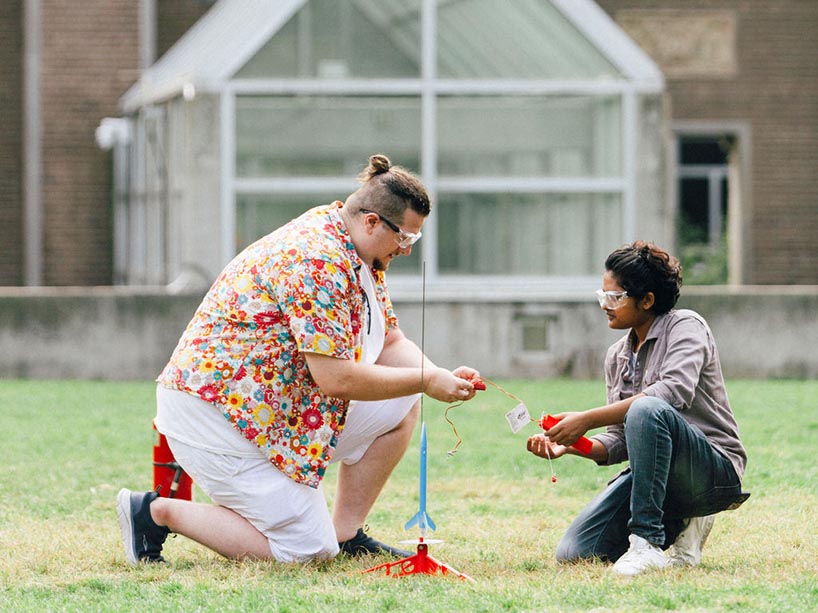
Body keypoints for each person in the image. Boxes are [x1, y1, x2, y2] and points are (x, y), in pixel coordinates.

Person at [117, 153, 481, 565]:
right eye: (406, 238)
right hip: (217, 417)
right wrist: (425, 381)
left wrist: (433, 374)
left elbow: (391, 342)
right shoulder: (316, 259)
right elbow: (336, 379)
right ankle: (155, 512)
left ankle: (346, 535)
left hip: (269, 411)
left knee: (401, 404)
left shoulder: (359, 251)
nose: (407, 250)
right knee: (307, 550)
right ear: (372, 222)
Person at [527, 241, 747, 576]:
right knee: (576, 551)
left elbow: (670, 393)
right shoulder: (617, 355)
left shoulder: (686, 326)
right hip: (658, 476)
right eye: (602, 295)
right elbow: (620, 440)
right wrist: (571, 444)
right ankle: (681, 519)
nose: (605, 305)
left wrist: (585, 419)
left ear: (647, 300)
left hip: (713, 472)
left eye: (614, 297)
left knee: (647, 408)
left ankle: (646, 542)